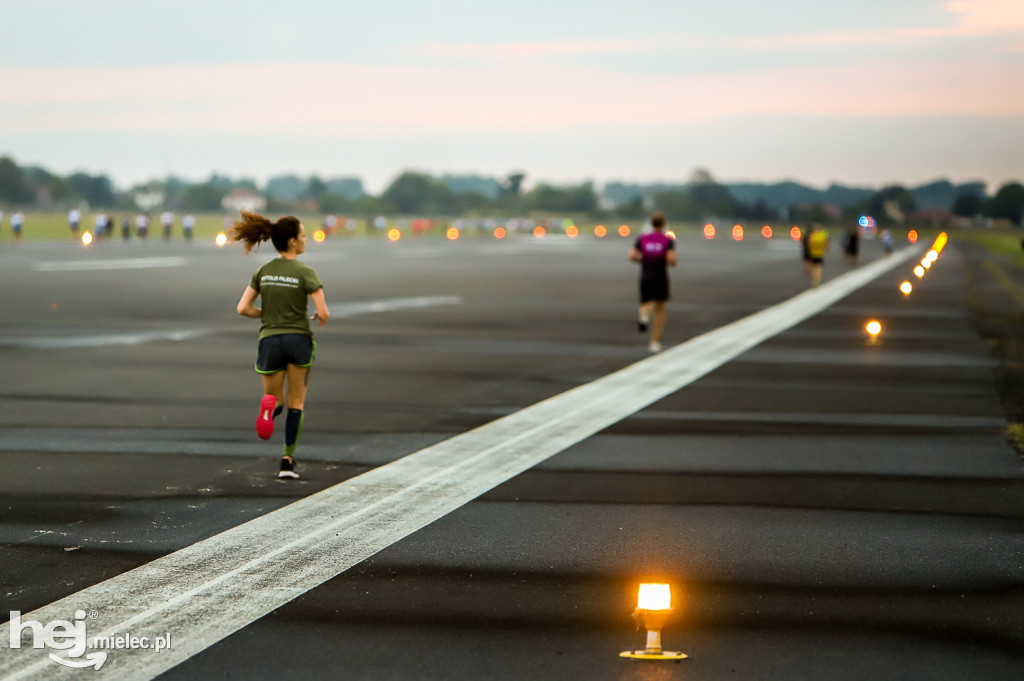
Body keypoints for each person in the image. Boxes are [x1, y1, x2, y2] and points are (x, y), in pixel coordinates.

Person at [232, 211, 330, 480]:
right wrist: (316, 316)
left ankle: (267, 410)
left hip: (270, 340)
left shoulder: (264, 270)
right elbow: (323, 312)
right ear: (292, 241)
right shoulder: (305, 272)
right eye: (302, 235)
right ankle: (287, 461)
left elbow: (243, 308)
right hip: (298, 339)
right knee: (296, 403)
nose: (306, 239)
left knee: (275, 400)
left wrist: (270, 314)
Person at [629, 212, 676, 353]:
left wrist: (643, 260)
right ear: (663, 224)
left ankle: (644, 315)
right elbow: (671, 259)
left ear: (651, 223)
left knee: (646, 302)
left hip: (645, 275)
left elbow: (632, 255)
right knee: (660, 308)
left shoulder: (642, 238)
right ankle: (655, 342)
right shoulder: (667, 240)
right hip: (660, 276)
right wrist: (672, 262)